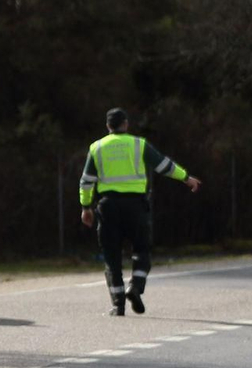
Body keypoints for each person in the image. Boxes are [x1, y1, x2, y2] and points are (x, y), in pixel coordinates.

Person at [79, 109, 201, 315]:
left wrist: (86, 207)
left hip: (108, 207)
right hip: (136, 206)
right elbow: (164, 165)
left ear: (108, 126)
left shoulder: (96, 147)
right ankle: (135, 286)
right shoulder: (138, 144)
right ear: (125, 124)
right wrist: (186, 178)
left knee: (111, 257)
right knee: (142, 250)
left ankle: (118, 305)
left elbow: (86, 182)